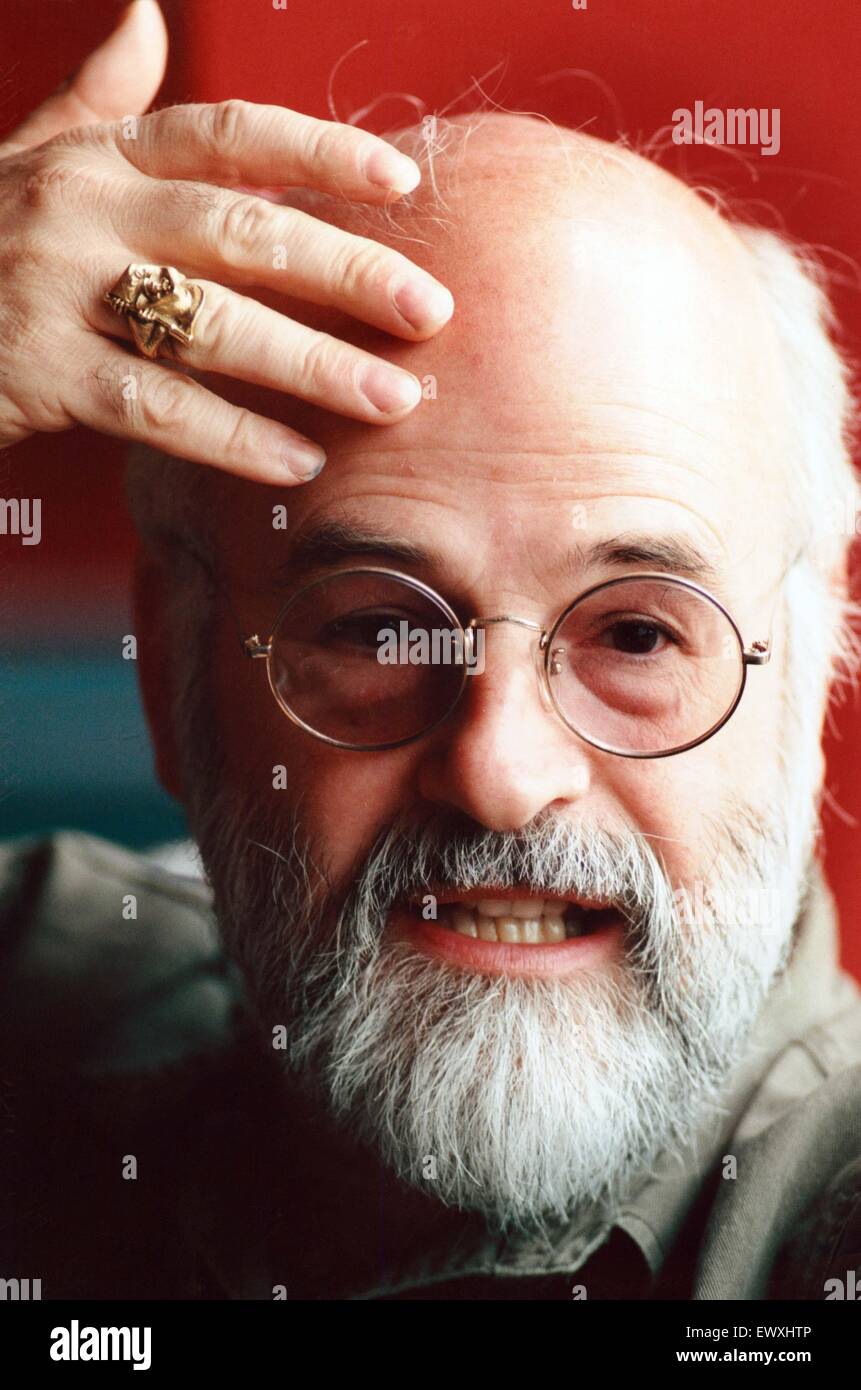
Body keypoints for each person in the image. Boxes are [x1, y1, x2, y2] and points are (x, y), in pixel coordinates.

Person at [2, 0, 861, 1301]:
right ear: (171, 676)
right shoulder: (47, 1015)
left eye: (635, 632)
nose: (500, 773)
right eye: (376, 626)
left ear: (804, 679)